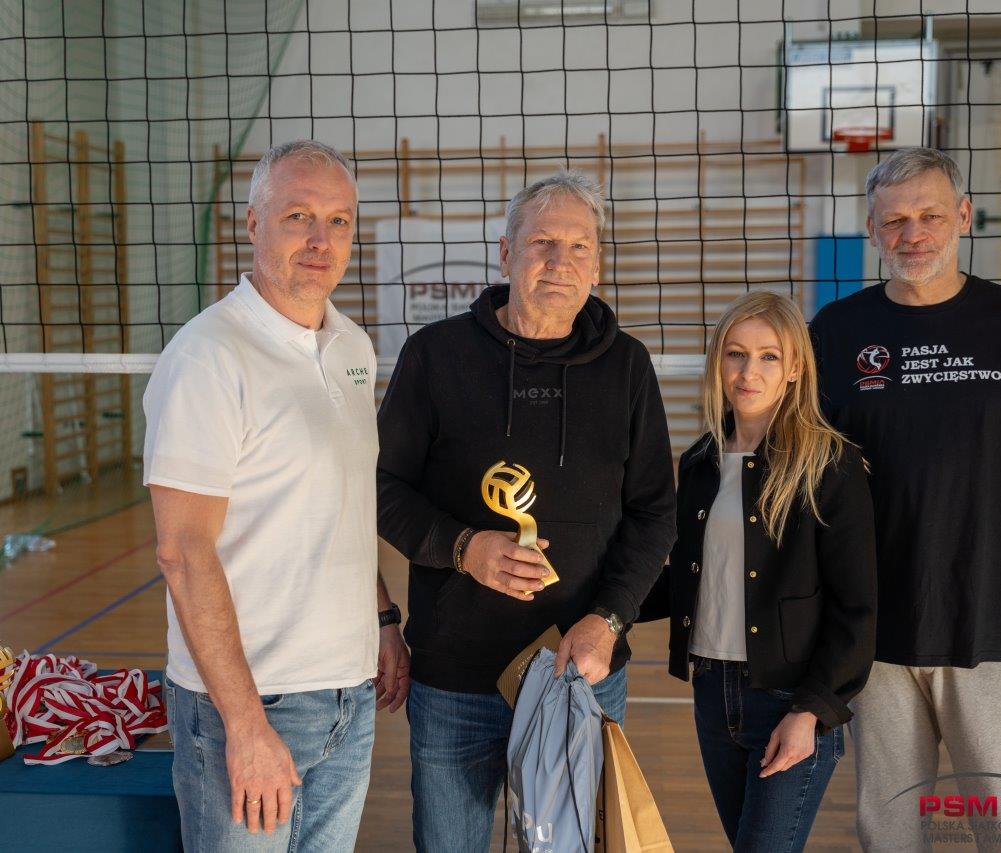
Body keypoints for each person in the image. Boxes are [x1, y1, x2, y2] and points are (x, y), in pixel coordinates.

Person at [810, 146, 1001, 852]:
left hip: (993, 634)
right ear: (872, 229)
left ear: (964, 216)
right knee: (890, 835)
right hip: (873, 635)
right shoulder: (834, 333)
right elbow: (805, 479)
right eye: (894, 220)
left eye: (931, 216)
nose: (912, 234)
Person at [376, 170, 677, 852]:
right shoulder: (436, 355)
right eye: (543, 242)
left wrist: (609, 620)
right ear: (507, 253)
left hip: (581, 670)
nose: (559, 261)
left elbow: (655, 511)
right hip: (454, 678)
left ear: (596, 265)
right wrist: (463, 548)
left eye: (578, 246)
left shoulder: (628, 366)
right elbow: (383, 487)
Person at [142, 140, 410, 852]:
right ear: (253, 223)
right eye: (298, 216)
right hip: (251, 702)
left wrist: (382, 617)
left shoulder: (352, 348)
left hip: (347, 694)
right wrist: (245, 724)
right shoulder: (208, 356)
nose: (321, 240)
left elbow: (339, 507)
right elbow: (182, 552)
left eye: (339, 221)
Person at [643, 291, 877, 851]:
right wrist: (594, 599)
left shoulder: (829, 464)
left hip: (789, 699)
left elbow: (857, 608)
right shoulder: (699, 462)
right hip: (712, 692)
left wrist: (810, 712)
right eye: (736, 354)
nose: (749, 372)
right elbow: (687, 581)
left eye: (769, 356)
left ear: (795, 368)